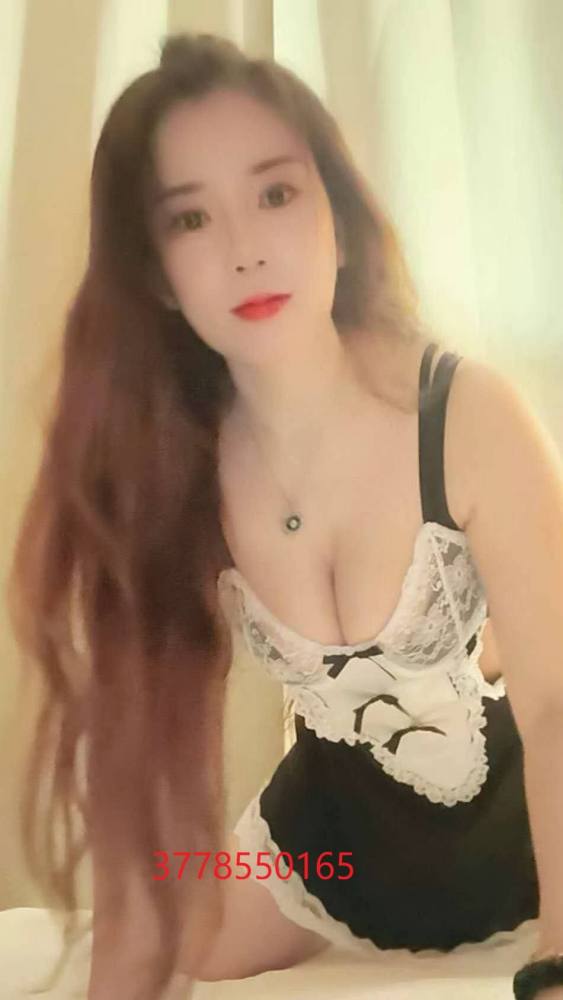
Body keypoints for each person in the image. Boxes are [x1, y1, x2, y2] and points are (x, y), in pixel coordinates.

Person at [7, 30, 563, 1000]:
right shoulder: (170, 474)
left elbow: (557, 706)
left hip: (524, 832)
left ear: (334, 214)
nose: (245, 250)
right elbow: (151, 784)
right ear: (154, 274)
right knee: (178, 939)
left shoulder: (466, 414)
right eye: (190, 219)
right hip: (330, 852)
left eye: (274, 193)